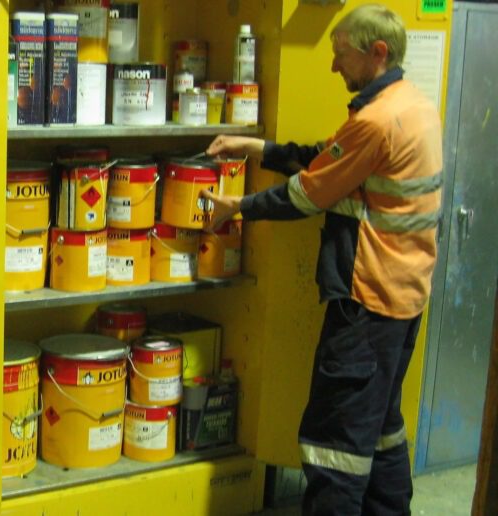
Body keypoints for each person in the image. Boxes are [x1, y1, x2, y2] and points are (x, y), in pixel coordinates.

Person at [200, 4, 443, 515]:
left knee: (335, 445)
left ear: (377, 53)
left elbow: (307, 194)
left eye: (341, 56)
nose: (334, 67)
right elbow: (326, 155)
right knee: (381, 431)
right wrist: (257, 146)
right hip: (404, 298)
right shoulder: (412, 105)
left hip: (367, 299)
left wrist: (236, 207)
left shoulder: (378, 120)